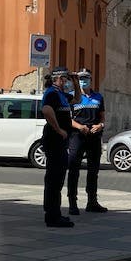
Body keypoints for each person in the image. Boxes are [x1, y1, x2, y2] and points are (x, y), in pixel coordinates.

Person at [41, 67, 80, 227]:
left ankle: (54, 212)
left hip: (60, 141)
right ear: (56, 79)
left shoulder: (61, 95)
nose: (66, 81)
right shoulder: (51, 92)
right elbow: (46, 110)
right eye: (63, 78)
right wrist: (59, 129)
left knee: (58, 178)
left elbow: (77, 100)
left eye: (66, 79)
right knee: (54, 178)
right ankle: (52, 216)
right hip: (54, 139)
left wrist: (76, 82)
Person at [66, 68, 107, 215]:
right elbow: (66, 119)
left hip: (94, 137)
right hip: (77, 136)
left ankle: (92, 201)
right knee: (74, 170)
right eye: (81, 78)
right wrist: (79, 126)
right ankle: (72, 203)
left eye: (87, 78)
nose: (84, 81)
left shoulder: (98, 97)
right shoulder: (71, 97)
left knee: (93, 171)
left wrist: (100, 125)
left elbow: (102, 116)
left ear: (91, 79)